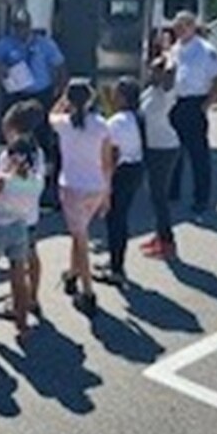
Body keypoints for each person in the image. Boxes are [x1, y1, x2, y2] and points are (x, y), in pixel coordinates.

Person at [0, 134, 44, 340]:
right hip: (21, 227)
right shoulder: (36, 181)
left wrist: (6, 170)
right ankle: (22, 324)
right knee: (18, 278)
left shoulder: (4, 179)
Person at [0, 7, 67, 200]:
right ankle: (13, 173)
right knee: (14, 133)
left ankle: (41, 178)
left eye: (23, 26)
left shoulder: (45, 44)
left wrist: (60, 91)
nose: (20, 30)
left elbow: (59, 65)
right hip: (17, 94)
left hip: (41, 93)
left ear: (30, 27)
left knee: (41, 135)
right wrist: (1, 68)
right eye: (17, 27)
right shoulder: (6, 44)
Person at [50, 79, 112, 316]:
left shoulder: (64, 124)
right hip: (95, 186)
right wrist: (107, 192)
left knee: (80, 237)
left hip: (72, 186)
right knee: (79, 234)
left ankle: (87, 290)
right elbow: (107, 162)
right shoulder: (102, 125)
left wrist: (62, 100)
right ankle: (72, 273)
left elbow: (51, 115)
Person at [0, 100, 46, 321]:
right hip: (30, 214)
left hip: (11, 217)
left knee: (16, 264)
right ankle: (32, 297)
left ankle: (18, 303)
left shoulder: (9, 155)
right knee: (31, 255)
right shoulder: (37, 152)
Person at [168, 11, 217, 215]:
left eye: (183, 26)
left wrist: (207, 104)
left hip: (194, 103)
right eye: (176, 26)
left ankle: (201, 198)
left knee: (198, 155)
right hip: (175, 103)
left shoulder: (205, 50)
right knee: (174, 150)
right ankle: (172, 191)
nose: (178, 30)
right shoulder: (176, 48)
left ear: (192, 27)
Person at [94, 77, 145, 288]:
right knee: (120, 218)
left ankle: (116, 269)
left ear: (123, 97)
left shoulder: (116, 122)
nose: (112, 96)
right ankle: (115, 260)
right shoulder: (137, 117)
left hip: (120, 172)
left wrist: (105, 184)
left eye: (116, 93)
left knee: (115, 221)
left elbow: (112, 154)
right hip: (135, 169)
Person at [140, 57, 180, 259]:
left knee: (159, 196)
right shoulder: (150, 91)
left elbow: (172, 71)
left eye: (155, 71)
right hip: (151, 147)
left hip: (164, 148)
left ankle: (168, 242)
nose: (151, 74)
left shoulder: (167, 92)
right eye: (151, 71)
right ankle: (159, 236)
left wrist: (167, 61)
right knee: (153, 194)